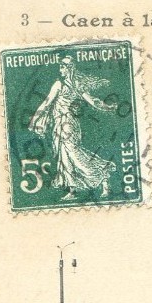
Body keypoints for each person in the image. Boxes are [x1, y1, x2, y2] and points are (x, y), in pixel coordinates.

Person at [28, 56, 118, 201]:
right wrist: (106, 107)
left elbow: (46, 103)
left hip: (67, 125)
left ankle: (103, 175)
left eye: (63, 67)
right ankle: (72, 190)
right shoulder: (72, 84)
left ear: (70, 68)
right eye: (60, 66)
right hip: (61, 125)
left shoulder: (61, 84)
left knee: (74, 155)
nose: (60, 69)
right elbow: (93, 102)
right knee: (64, 157)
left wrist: (33, 120)